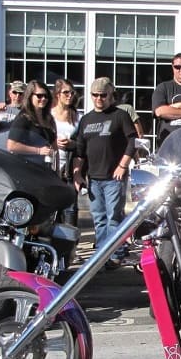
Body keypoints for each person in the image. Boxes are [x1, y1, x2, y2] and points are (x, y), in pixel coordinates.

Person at [71, 77, 137, 270]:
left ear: (111, 95)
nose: (99, 98)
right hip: (94, 177)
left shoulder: (119, 115)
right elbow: (80, 150)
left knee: (114, 217)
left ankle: (115, 253)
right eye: (95, 95)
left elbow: (133, 141)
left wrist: (123, 165)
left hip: (113, 177)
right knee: (99, 218)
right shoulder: (86, 119)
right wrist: (77, 174)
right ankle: (101, 254)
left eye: (103, 95)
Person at [7, 80, 58, 167]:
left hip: (45, 169)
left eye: (46, 96)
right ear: (30, 96)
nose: (43, 99)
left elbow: (54, 147)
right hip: (26, 169)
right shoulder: (23, 118)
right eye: (39, 96)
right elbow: (11, 146)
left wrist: (57, 170)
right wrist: (38, 150)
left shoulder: (49, 119)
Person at [52, 78, 81, 226]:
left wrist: (71, 144)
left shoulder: (78, 118)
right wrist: (53, 142)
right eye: (66, 92)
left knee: (70, 210)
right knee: (52, 210)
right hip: (51, 169)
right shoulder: (49, 116)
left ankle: (71, 247)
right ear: (57, 94)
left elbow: (82, 145)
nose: (70, 95)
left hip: (69, 170)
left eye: (72, 92)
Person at [0, 80, 25, 150]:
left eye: (20, 93)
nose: (17, 96)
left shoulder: (27, 112)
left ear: (24, 95)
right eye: (15, 92)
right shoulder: (2, 108)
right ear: (10, 93)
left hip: (16, 152)